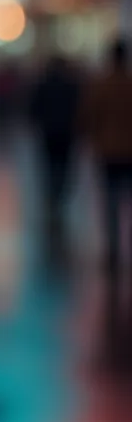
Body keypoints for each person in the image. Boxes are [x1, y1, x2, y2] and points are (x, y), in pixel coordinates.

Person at [79, 36, 132, 269]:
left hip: (107, 151)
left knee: (110, 200)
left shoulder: (101, 85)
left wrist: (91, 141)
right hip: (129, 151)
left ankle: (113, 248)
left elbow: (90, 116)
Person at [28, 53, 82, 231]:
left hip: (49, 132)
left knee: (50, 165)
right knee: (64, 166)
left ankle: (52, 194)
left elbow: (34, 107)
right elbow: (79, 109)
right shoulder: (70, 86)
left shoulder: (44, 84)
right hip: (66, 133)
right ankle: (58, 195)